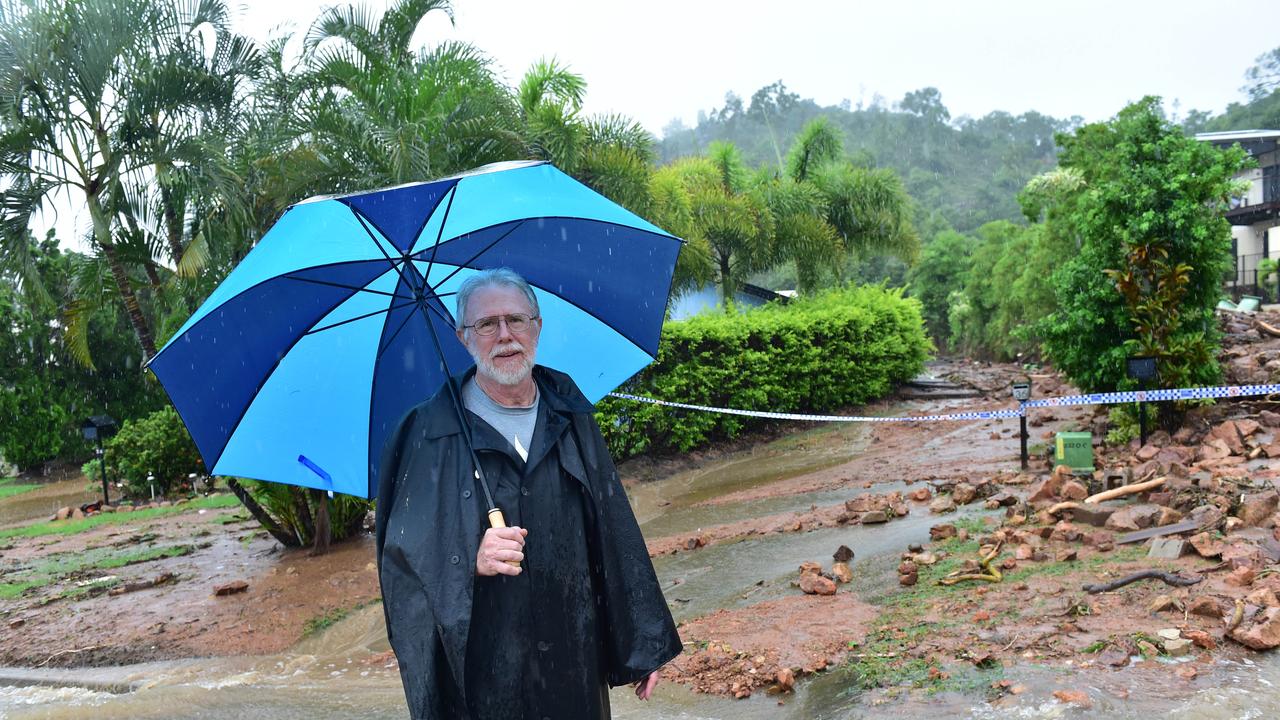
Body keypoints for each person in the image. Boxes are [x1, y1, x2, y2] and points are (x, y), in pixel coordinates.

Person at [376, 268, 681, 719]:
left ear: (537, 327)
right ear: (463, 337)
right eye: (486, 324)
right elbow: (400, 562)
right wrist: (466, 557)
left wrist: (641, 639)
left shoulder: (570, 411)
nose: (505, 335)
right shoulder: (427, 433)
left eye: (516, 320)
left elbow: (612, 523)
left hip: (572, 657)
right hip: (487, 673)